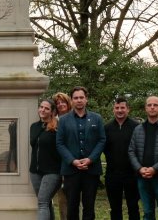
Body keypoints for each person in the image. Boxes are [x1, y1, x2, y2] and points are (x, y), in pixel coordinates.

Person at [56, 86, 106, 220]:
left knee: (89, 207)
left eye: (81, 97)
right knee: (72, 207)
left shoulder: (97, 118)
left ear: (86, 99)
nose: (79, 100)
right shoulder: (64, 120)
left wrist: (90, 159)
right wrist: (73, 161)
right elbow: (60, 143)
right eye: (76, 98)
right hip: (71, 170)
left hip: (91, 169)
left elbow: (102, 140)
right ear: (71, 101)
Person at [128, 96, 158, 220]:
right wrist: (139, 169)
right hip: (142, 177)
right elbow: (131, 151)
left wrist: (154, 169)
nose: (152, 107)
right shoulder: (138, 129)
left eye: (155, 105)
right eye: (149, 105)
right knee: (147, 213)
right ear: (145, 108)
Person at [103, 97, 140, 220]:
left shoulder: (136, 127)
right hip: (112, 174)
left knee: (133, 207)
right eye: (117, 108)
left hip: (132, 174)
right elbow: (103, 148)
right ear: (113, 109)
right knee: (115, 208)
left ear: (128, 109)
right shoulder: (106, 128)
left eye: (122, 108)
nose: (120, 110)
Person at [30, 99, 62, 220]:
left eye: (46, 108)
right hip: (35, 171)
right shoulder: (34, 126)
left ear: (52, 112)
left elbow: (62, 149)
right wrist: (43, 125)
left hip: (52, 172)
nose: (42, 110)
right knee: (46, 202)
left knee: (42, 202)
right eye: (41, 107)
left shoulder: (58, 127)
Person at [52, 92, 73, 220]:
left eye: (63, 102)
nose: (60, 104)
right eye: (58, 103)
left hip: (72, 164)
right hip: (57, 165)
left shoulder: (75, 118)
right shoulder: (53, 121)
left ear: (68, 103)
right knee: (62, 200)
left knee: (74, 200)